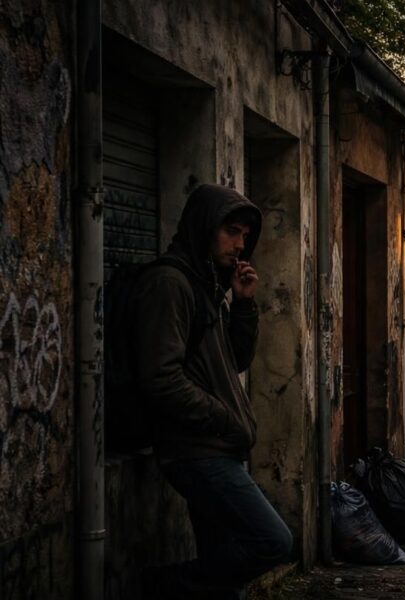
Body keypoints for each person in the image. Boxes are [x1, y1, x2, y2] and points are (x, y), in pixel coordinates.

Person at [135, 184, 292, 598]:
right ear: (205, 227)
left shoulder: (208, 286)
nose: (240, 245)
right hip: (197, 450)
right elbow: (160, 378)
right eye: (232, 232)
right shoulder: (171, 283)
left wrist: (242, 304)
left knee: (222, 571)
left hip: (219, 448)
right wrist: (223, 418)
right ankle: (159, 586)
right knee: (274, 541)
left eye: (245, 235)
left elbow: (233, 361)